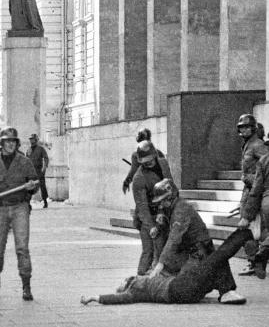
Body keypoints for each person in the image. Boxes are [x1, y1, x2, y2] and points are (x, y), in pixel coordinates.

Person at [82, 180, 248, 306]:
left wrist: (159, 265)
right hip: (186, 262)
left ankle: (226, 289)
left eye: (163, 201)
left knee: (211, 264)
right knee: (203, 271)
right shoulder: (170, 210)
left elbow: (174, 239)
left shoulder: (181, 209)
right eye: (160, 202)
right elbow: (165, 241)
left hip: (199, 251)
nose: (161, 205)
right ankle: (220, 285)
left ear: (171, 197)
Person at [0, 127, 39, 300]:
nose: (11, 144)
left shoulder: (24, 162)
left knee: (22, 248)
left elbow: (34, 182)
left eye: (13, 141)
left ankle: (26, 285)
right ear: (1, 143)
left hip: (20, 207)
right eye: (7, 141)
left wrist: (32, 186)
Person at [131, 140, 172, 276]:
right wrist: (151, 227)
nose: (148, 163)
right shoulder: (139, 179)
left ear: (155, 155)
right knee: (148, 251)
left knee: (163, 251)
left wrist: (164, 210)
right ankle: (139, 278)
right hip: (148, 216)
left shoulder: (163, 164)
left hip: (164, 211)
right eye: (144, 162)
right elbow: (142, 206)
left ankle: (159, 278)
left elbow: (170, 186)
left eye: (150, 160)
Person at [235, 114, 269, 277]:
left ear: (253, 128)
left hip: (257, 191)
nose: (244, 130)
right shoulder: (247, 145)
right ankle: (253, 262)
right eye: (242, 127)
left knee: (250, 227)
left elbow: (265, 169)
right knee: (249, 228)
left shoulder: (257, 145)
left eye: (247, 127)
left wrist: (249, 178)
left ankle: (256, 262)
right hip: (249, 191)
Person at [122, 128, 165, 194]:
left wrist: (126, 182)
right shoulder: (158, 152)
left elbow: (133, 171)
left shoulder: (136, 155)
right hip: (162, 186)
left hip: (149, 189)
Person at [26, 133, 50, 208]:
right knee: (30, 187)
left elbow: (46, 158)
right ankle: (28, 203)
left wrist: (44, 168)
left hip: (39, 171)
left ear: (36, 140)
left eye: (32, 139)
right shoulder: (28, 150)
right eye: (30, 139)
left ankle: (45, 201)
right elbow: (26, 160)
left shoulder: (41, 149)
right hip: (30, 172)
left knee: (42, 186)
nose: (31, 141)